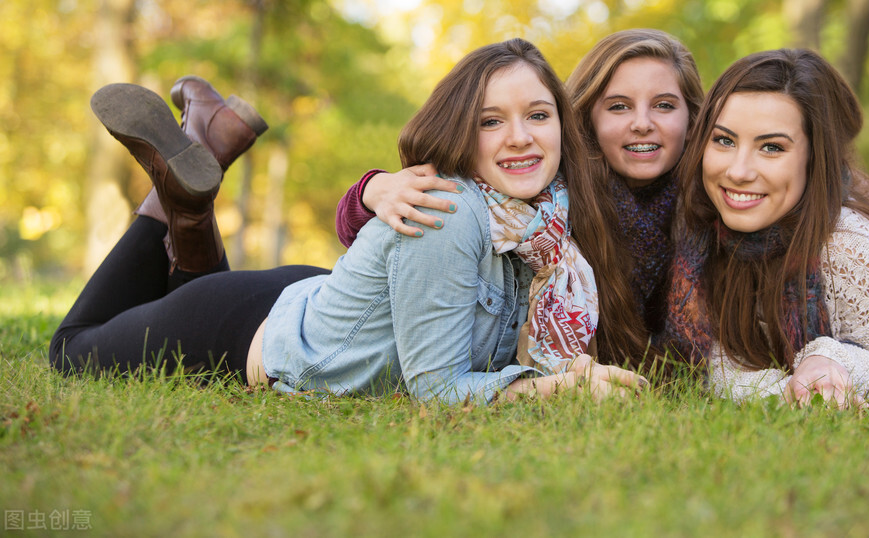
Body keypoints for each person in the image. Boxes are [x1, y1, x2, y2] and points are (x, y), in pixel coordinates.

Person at [50, 39, 647, 404]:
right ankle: (178, 198)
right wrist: (555, 390)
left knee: (170, 294)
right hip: (239, 331)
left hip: (312, 303)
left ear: (561, 127)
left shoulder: (544, 217)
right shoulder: (443, 213)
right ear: (462, 132)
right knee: (69, 348)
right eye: (492, 121)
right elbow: (437, 393)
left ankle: (200, 161)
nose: (520, 137)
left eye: (538, 115)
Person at [336, 29, 705, 362]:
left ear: (692, 118)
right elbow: (383, 233)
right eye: (619, 106)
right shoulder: (548, 185)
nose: (642, 123)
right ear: (584, 116)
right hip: (349, 312)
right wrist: (372, 189)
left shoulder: (713, 198)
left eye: (664, 105)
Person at [660, 48, 869, 408]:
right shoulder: (696, 229)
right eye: (724, 140)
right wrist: (787, 392)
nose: (738, 171)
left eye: (771, 147)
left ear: (814, 157)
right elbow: (713, 363)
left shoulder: (858, 250)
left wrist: (829, 358)